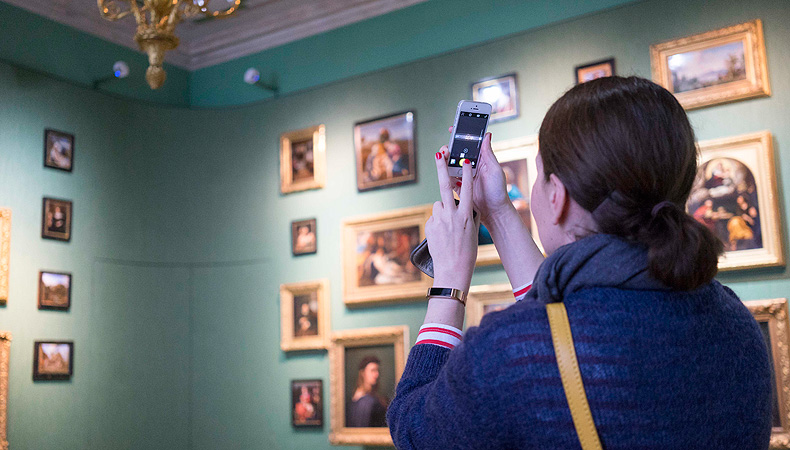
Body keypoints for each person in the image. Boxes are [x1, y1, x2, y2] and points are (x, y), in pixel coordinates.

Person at [387, 76, 771, 449]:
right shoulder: (735, 322)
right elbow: (561, 321)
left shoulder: (508, 351)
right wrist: (498, 212)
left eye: (540, 175)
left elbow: (414, 430)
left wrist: (449, 283)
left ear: (558, 196)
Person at [347, 355, 388, 427]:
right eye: (373, 370)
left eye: (377, 371)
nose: (377, 374)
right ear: (363, 373)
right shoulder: (360, 399)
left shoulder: (376, 398)